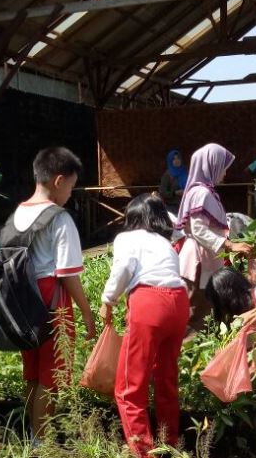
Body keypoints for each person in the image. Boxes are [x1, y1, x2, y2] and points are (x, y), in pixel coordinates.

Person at [9, 147, 96, 443]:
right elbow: (67, 273)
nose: (71, 194)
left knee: (33, 372)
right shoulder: (60, 218)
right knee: (52, 375)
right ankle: (44, 443)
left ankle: (34, 436)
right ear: (59, 180)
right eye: (71, 186)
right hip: (51, 299)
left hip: (20, 298)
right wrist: (86, 311)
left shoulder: (18, 212)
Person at [99, 194, 188, 457]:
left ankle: (143, 450)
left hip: (150, 303)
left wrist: (108, 300)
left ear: (131, 217)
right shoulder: (165, 241)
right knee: (166, 378)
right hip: (179, 302)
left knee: (129, 387)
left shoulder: (127, 237)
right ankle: (169, 443)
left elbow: (123, 268)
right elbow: (176, 224)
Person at [176, 143, 252, 333]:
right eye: (223, 168)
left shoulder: (201, 191)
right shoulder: (201, 193)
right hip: (200, 262)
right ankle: (190, 357)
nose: (225, 173)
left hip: (203, 259)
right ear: (212, 165)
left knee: (203, 310)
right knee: (197, 313)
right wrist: (229, 245)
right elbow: (199, 229)